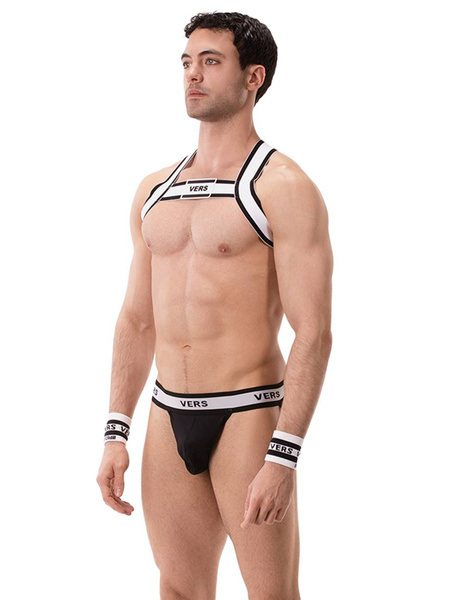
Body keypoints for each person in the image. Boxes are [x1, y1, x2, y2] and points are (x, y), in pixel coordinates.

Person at [96, 11, 333, 600]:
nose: (192, 75)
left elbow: (313, 331)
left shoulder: (282, 187)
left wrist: (284, 456)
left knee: (271, 595)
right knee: (179, 590)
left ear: (254, 77)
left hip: (248, 415)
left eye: (210, 61)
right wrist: (115, 430)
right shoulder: (155, 190)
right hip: (167, 411)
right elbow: (136, 320)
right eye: (186, 62)